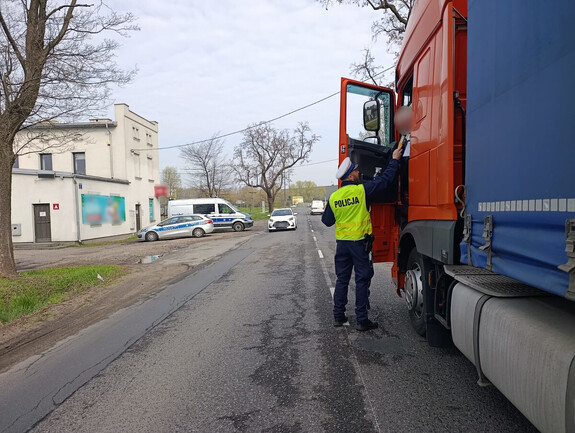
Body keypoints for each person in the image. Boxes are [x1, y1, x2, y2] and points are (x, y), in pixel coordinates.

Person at [322, 148, 403, 331]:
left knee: (342, 280)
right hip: (359, 245)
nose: (359, 172)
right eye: (356, 170)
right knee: (362, 280)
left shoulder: (334, 197)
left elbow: (327, 221)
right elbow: (385, 180)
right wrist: (394, 160)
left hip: (342, 245)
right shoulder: (361, 191)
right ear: (351, 175)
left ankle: (338, 316)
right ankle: (362, 320)